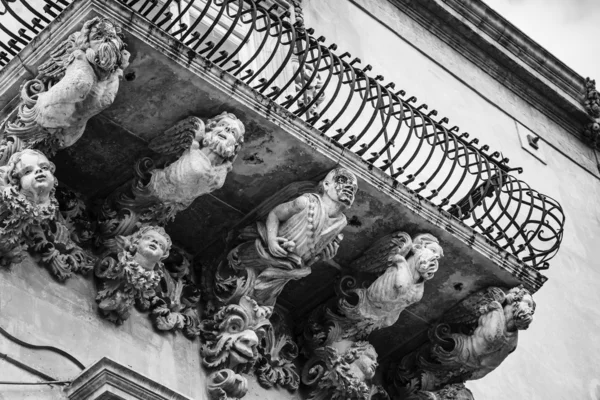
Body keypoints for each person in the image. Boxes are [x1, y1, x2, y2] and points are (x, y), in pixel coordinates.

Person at [225, 167, 358, 306]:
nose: (349, 188)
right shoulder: (306, 202)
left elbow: (314, 249)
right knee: (236, 275)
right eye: (342, 181)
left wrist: (325, 255)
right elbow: (275, 214)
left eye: (353, 188)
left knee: (259, 300)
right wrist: (272, 240)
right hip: (267, 252)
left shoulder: (340, 223)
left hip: (289, 268)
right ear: (326, 184)